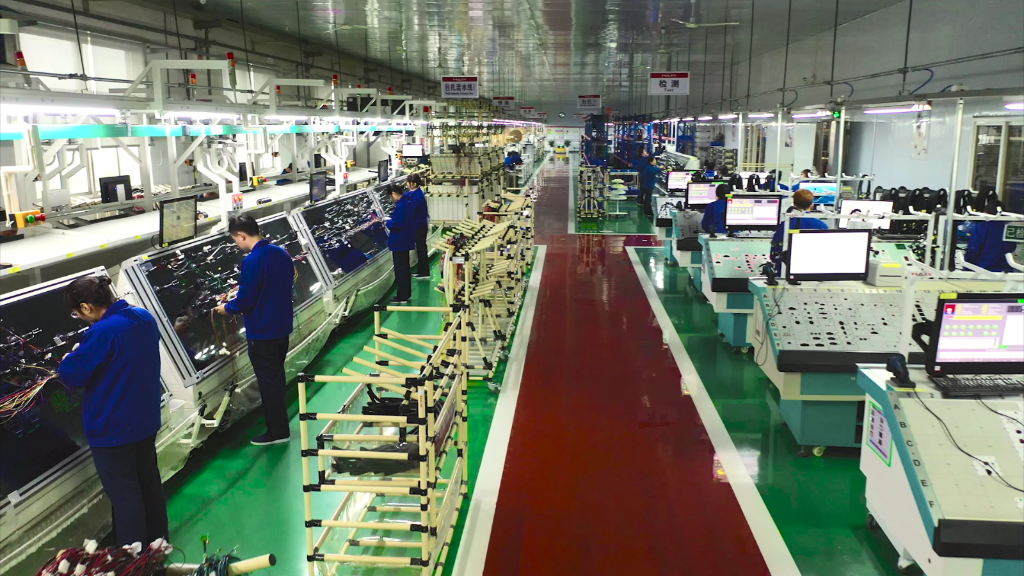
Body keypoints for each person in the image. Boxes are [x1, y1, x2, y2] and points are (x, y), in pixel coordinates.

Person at [58, 276, 168, 547]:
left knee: (125, 497)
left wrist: (68, 360)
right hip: (145, 420)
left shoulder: (103, 332)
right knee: (149, 486)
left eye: (77, 313)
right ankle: (158, 547)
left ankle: (133, 559)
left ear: (86, 307)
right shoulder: (142, 317)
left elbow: (72, 375)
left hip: (114, 429)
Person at [215, 215, 295, 446]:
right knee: (276, 377)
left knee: (268, 382)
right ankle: (280, 424)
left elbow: (246, 301)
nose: (237, 244)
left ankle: (278, 432)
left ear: (241, 235)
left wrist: (227, 308)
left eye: (235, 240)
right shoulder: (280, 252)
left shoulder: (252, 260)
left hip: (262, 331)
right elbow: (278, 282)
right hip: (281, 327)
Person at [771, 189, 829, 274]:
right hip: (814, 273)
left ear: (794, 203)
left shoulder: (786, 225)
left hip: (785, 272)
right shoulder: (822, 225)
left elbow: (774, 255)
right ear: (811, 205)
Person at [386, 183, 416, 303]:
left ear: (394, 194)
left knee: (401, 270)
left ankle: (402, 296)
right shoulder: (407, 203)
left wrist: (387, 222)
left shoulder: (401, 206)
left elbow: (397, 224)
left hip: (399, 242)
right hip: (406, 240)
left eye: (390, 197)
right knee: (405, 268)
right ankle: (405, 293)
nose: (391, 199)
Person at [406, 173, 431, 280]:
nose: (407, 184)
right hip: (419, 225)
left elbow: (411, 209)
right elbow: (408, 196)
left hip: (419, 226)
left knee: (421, 250)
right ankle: (421, 270)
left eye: (409, 182)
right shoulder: (415, 192)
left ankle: (425, 272)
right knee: (420, 250)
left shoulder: (418, 196)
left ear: (414, 184)